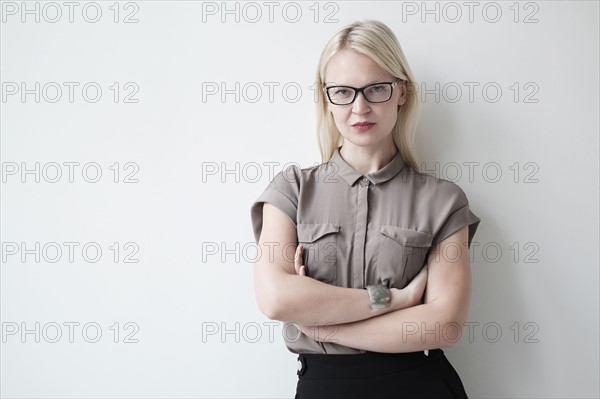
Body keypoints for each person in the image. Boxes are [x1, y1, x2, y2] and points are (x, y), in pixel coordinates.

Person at [250, 19, 481, 398]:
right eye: (342, 91)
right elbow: (276, 299)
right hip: (323, 386)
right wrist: (399, 299)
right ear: (325, 98)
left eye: (376, 89)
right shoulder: (291, 190)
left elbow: (444, 326)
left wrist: (324, 326)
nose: (360, 107)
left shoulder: (443, 201)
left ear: (402, 92)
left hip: (417, 386)